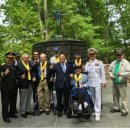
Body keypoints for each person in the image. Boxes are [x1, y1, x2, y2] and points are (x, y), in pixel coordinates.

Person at [85, 48, 106, 121]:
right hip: (90, 83)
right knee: (92, 97)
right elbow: (86, 73)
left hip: (98, 82)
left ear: (95, 54)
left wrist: (103, 82)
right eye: (90, 54)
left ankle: (98, 113)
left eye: (93, 54)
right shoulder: (87, 63)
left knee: (98, 98)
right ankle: (94, 109)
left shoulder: (99, 62)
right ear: (89, 55)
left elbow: (102, 73)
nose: (92, 55)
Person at [109, 48, 130, 116]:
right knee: (115, 95)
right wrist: (111, 75)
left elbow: (129, 72)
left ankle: (125, 110)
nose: (118, 56)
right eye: (117, 55)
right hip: (115, 81)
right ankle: (116, 107)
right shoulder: (114, 62)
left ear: (123, 55)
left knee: (123, 96)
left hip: (122, 82)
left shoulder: (126, 62)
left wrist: (121, 74)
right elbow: (109, 70)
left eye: (120, 55)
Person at [0, 52, 18, 123]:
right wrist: (4, 73)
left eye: (12, 58)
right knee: (5, 103)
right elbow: (1, 74)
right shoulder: (2, 66)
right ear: (6, 58)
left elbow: (16, 75)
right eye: (9, 58)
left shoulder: (14, 66)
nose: (10, 59)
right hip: (5, 88)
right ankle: (5, 116)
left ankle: (12, 113)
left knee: (13, 102)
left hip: (14, 87)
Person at [17, 53, 36, 118]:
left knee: (28, 97)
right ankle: (22, 111)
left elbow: (33, 71)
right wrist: (20, 77)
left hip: (30, 83)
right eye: (25, 58)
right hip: (23, 84)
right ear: (22, 58)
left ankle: (27, 109)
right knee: (23, 98)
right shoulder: (19, 65)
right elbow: (16, 75)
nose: (27, 59)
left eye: (28, 58)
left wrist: (34, 77)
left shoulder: (30, 64)